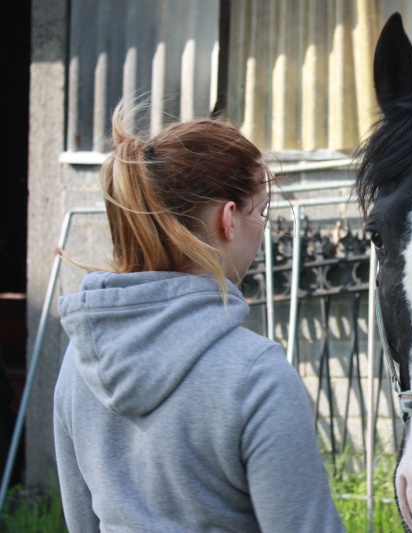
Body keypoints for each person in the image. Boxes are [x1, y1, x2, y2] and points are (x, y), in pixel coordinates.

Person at [53, 102, 344, 532]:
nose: (262, 229)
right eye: (260, 212)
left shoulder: (78, 362)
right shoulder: (256, 375)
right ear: (229, 220)